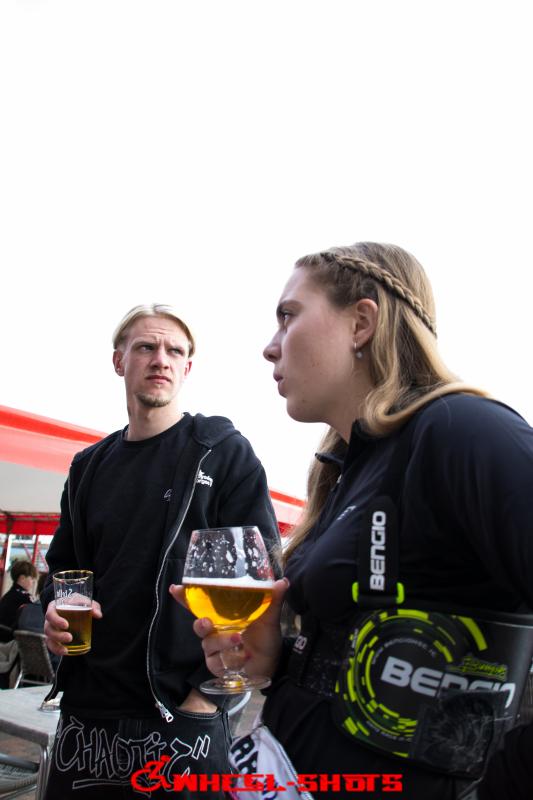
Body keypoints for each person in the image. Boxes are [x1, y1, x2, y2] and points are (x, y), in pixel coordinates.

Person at [173, 243, 533, 799]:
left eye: (288, 315)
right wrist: (279, 660)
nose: (270, 346)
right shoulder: (349, 469)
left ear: (361, 322)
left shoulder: (462, 430)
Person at [41, 303, 280, 799]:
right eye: (146, 347)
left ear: (187, 368)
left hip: (179, 714)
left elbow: (262, 579)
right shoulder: (88, 466)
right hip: (88, 712)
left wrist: (204, 696)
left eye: (175, 351)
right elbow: (63, 568)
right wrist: (55, 610)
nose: (161, 359)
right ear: (119, 360)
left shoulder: (222, 453)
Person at [0, 559, 38, 641]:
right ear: (22, 578)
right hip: (11, 639)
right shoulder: (25, 597)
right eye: (31, 578)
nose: (33, 582)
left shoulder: (8, 595)